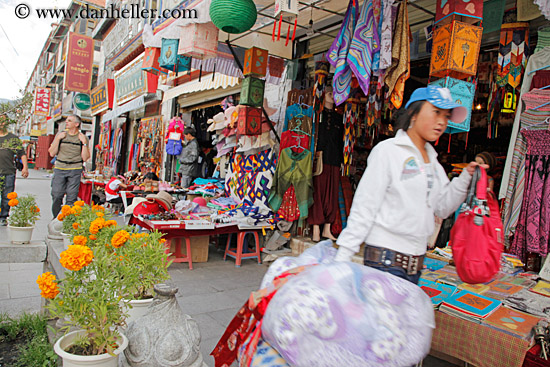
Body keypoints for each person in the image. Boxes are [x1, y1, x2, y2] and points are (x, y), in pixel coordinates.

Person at [334, 86, 486, 284]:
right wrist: (343, 257)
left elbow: (443, 207)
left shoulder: (433, 161)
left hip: (415, 264)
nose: (442, 121)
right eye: (436, 112)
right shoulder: (388, 151)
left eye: (446, 116)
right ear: (413, 113)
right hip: (385, 261)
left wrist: (466, 177)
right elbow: (365, 206)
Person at [48, 115, 90, 217]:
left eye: (69, 121)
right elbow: (52, 153)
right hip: (60, 168)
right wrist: (57, 139)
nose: (66, 122)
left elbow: (85, 158)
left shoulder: (82, 138)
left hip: (75, 169)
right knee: (57, 194)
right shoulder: (61, 135)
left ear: (76, 124)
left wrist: (84, 143)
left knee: (71, 196)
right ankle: (56, 217)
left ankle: (67, 220)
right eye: (66, 121)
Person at [0, 117, 29, 226]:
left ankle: (3, 216)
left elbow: (22, 153)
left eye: (3, 120)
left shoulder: (13, 138)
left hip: (8, 171)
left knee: (7, 195)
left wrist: (25, 167)